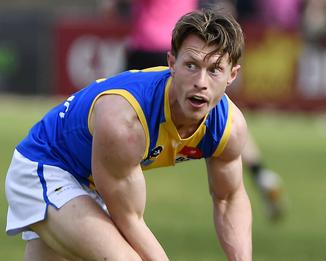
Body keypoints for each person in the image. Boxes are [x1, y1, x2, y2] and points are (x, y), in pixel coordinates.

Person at [0, 9, 284, 261]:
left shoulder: (228, 126)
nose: (201, 82)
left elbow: (228, 197)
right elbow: (129, 221)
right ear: (171, 62)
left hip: (90, 186)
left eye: (215, 70)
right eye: (191, 66)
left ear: (232, 76)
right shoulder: (125, 119)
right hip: (47, 169)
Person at [103, 0, 287, 221]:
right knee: (224, 119)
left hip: (158, 48)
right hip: (190, 48)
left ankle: (110, 186)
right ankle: (260, 171)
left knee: (118, 110)